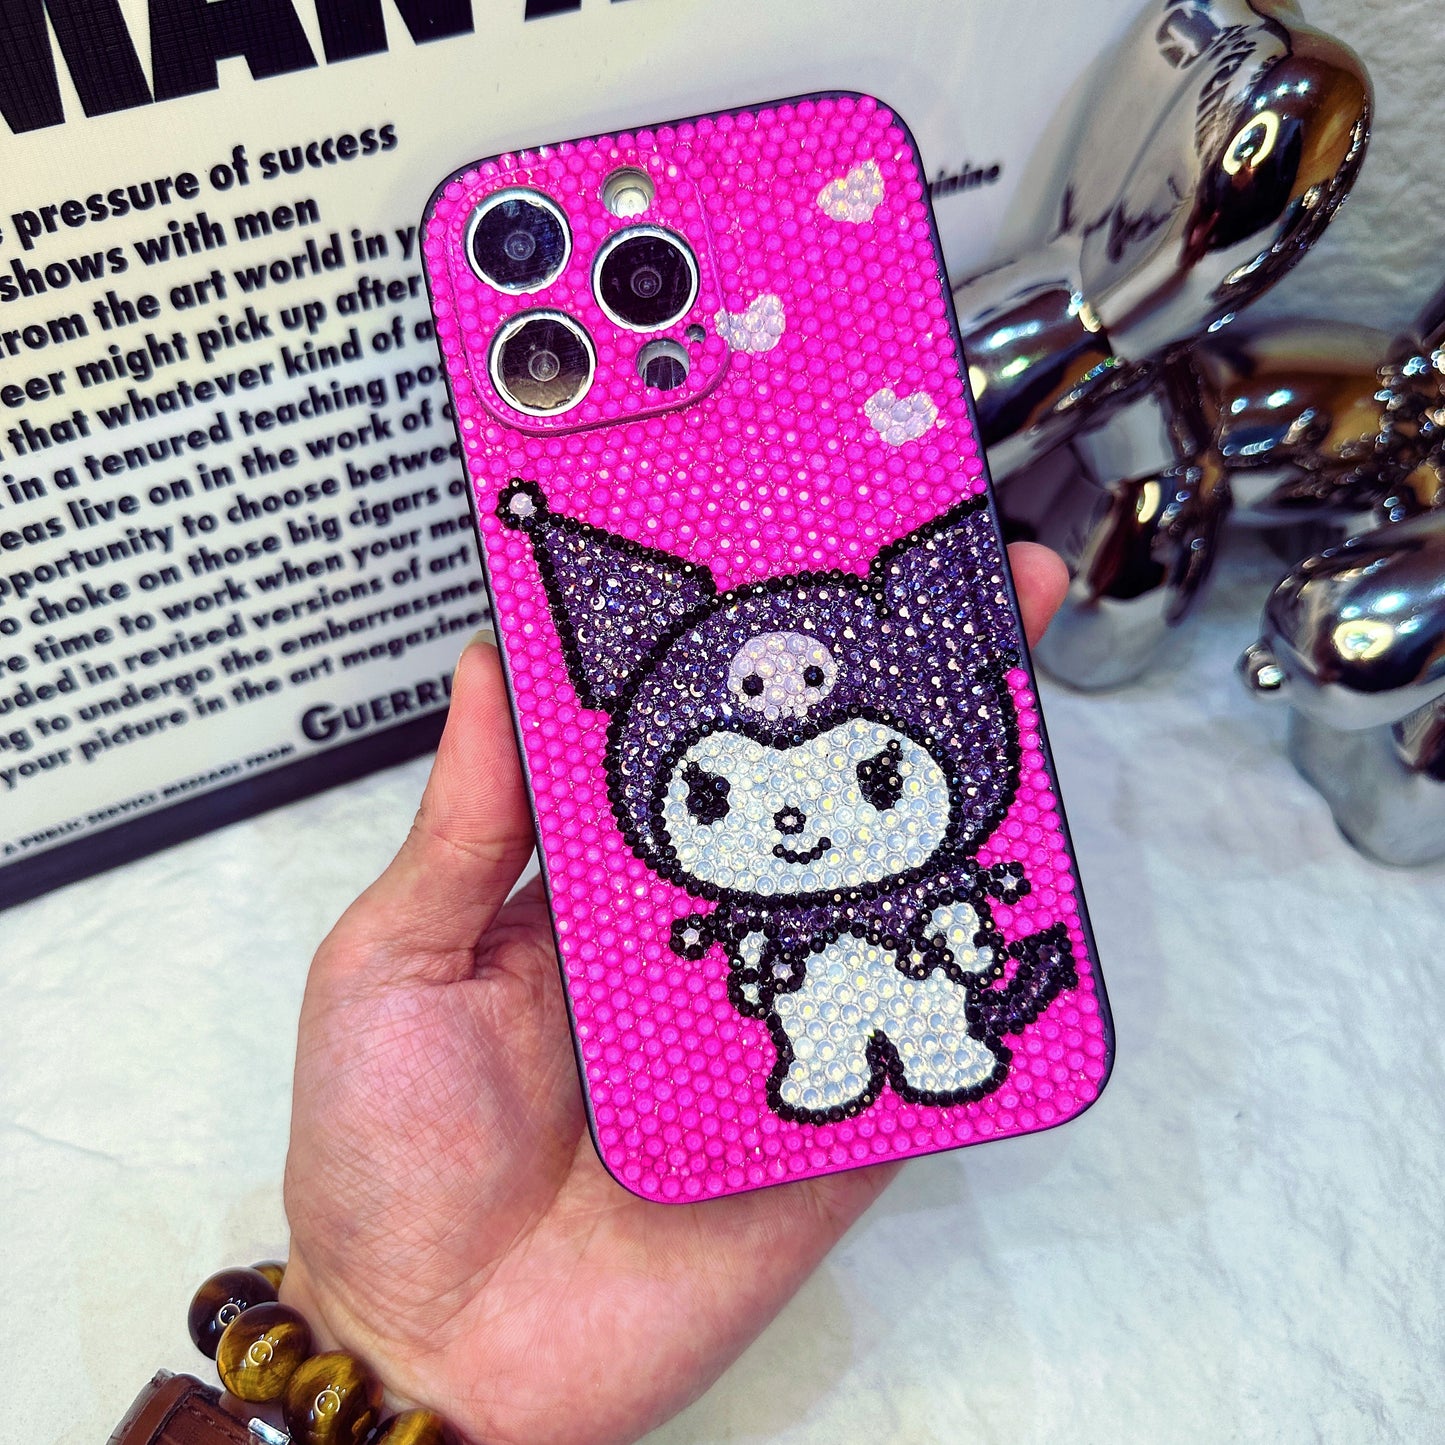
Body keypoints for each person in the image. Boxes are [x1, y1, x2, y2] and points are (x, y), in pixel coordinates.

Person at [280, 544, 1069, 1445]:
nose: (794, 825)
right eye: (717, 795)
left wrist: (372, 1347)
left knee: (928, 1011)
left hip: (916, 960)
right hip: (758, 1028)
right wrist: (377, 1337)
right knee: (814, 1029)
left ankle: (942, 1047)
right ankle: (836, 1065)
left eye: (873, 779)